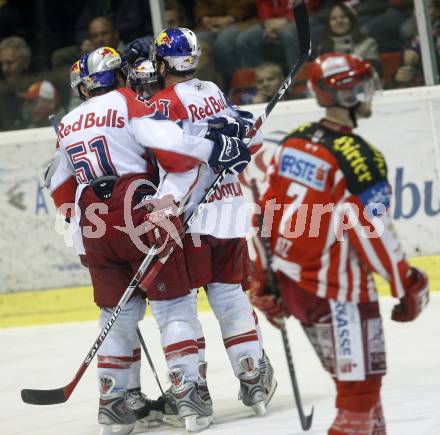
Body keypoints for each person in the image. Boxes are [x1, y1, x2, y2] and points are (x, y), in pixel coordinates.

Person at [48, 45, 250, 435]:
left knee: (115, 314)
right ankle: (188, 394)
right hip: (136, 209)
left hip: (92, 221)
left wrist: (81, 226)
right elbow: (173, 148)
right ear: (117, 78)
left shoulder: (69, 122)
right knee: (174, 307)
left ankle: (114, 403)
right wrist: (217, 148)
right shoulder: (127, 103)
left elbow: (57, 183)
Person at [249, 52, 430, 435]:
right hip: (341, 296)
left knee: (362, 395)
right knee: (358, 403)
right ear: (347, 95)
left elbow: (264, 214)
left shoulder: (292, 142)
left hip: (296, 290)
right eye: (364, 87)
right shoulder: (361, 159)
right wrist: (407, 284)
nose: (370, 94)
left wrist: (263, 279)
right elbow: (374, 234)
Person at [145, 27, 277, 429]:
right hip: (230, 209)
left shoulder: (163, 101)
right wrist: (236, 135)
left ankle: (188, 392)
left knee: (178, 308)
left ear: (163, 62)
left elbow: (176, 159)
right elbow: (238, 126)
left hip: (190, 216)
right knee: (231, 298)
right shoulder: (213, 90)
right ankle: (253, 378)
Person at [236, 0, 300, 73]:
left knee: (288, 33)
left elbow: (308, 6)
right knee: (245, 40)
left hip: (300, 18)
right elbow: (263, 5)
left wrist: (287, 20)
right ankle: (261, 80)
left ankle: (297, 79)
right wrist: (269, 23)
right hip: (273, 22)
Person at [318, 3, 382, 75]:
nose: (339, 21)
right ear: (328, 24)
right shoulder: (323, 47)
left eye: (343, 16)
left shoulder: (368, 43)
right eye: (333, 19)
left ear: (351, 20)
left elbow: (374, 72)